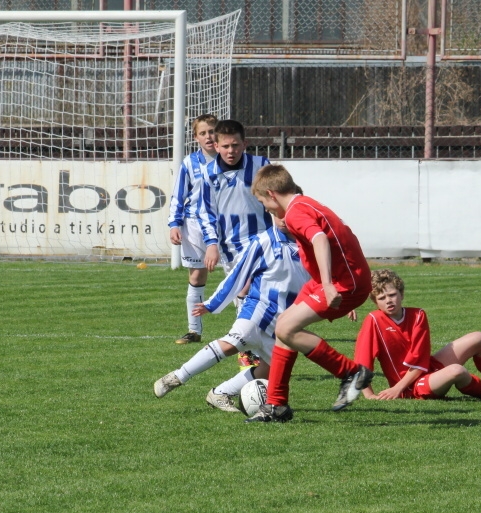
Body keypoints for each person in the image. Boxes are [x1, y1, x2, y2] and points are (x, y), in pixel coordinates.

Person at [247, 164, 374, 423]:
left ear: (272, 194)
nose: (267, 209)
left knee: (286, 329)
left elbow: (319, 239)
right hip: (335, 279)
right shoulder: (303, 203)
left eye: (263, 202)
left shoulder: (295, 213)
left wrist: (328, 284)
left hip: (342, 283)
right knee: (284, 326)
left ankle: (350, 372)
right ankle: (276, 405)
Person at [153, 216, 309, 411]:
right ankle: (176, 377)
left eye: (288, 213)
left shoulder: (309, 246)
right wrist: (212, 303)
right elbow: (237, 274)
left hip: (283, 323)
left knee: (269, 369)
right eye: (277, 212)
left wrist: (343, 301)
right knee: (231, 343)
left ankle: (220, 393)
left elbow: (323, 280)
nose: (283, 218)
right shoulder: (264, 241)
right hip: (258, 311)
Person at [355, 269, 481, 402]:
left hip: (426, 369)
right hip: (411, 387)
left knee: (479, 338)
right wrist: (371, 395)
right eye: (382, 298)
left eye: (392, 295)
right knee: (457, 371)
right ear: (375, 301)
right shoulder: (374, 320)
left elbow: (420, 361)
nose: (388, 301)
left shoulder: (418, 315)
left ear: (401, 294)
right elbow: (363, 360)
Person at [198, 119, 272, 368]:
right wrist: (211, 244)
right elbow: (206, 213)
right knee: (245, 297)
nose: (231, 151)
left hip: (263, 244)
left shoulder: (261, 166)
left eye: (236, 145)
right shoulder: (208, 174)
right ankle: (249, 350)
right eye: (226, 146)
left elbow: (280, 197)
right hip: (230, 248)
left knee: (259, 295)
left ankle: (254, 348)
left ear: (245, 144)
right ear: (216, 146)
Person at [168, 114, 218, 345]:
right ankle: (193, 331)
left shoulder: (230, 160)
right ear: (195, 137)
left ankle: (246, 331)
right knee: (197, 276)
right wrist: (174, 224)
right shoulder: (189, 163)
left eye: (212, 131)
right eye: (203, 132)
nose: (209, 136)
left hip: (225, 226)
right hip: (194, 226)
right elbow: (179, 196)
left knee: (241, 279)